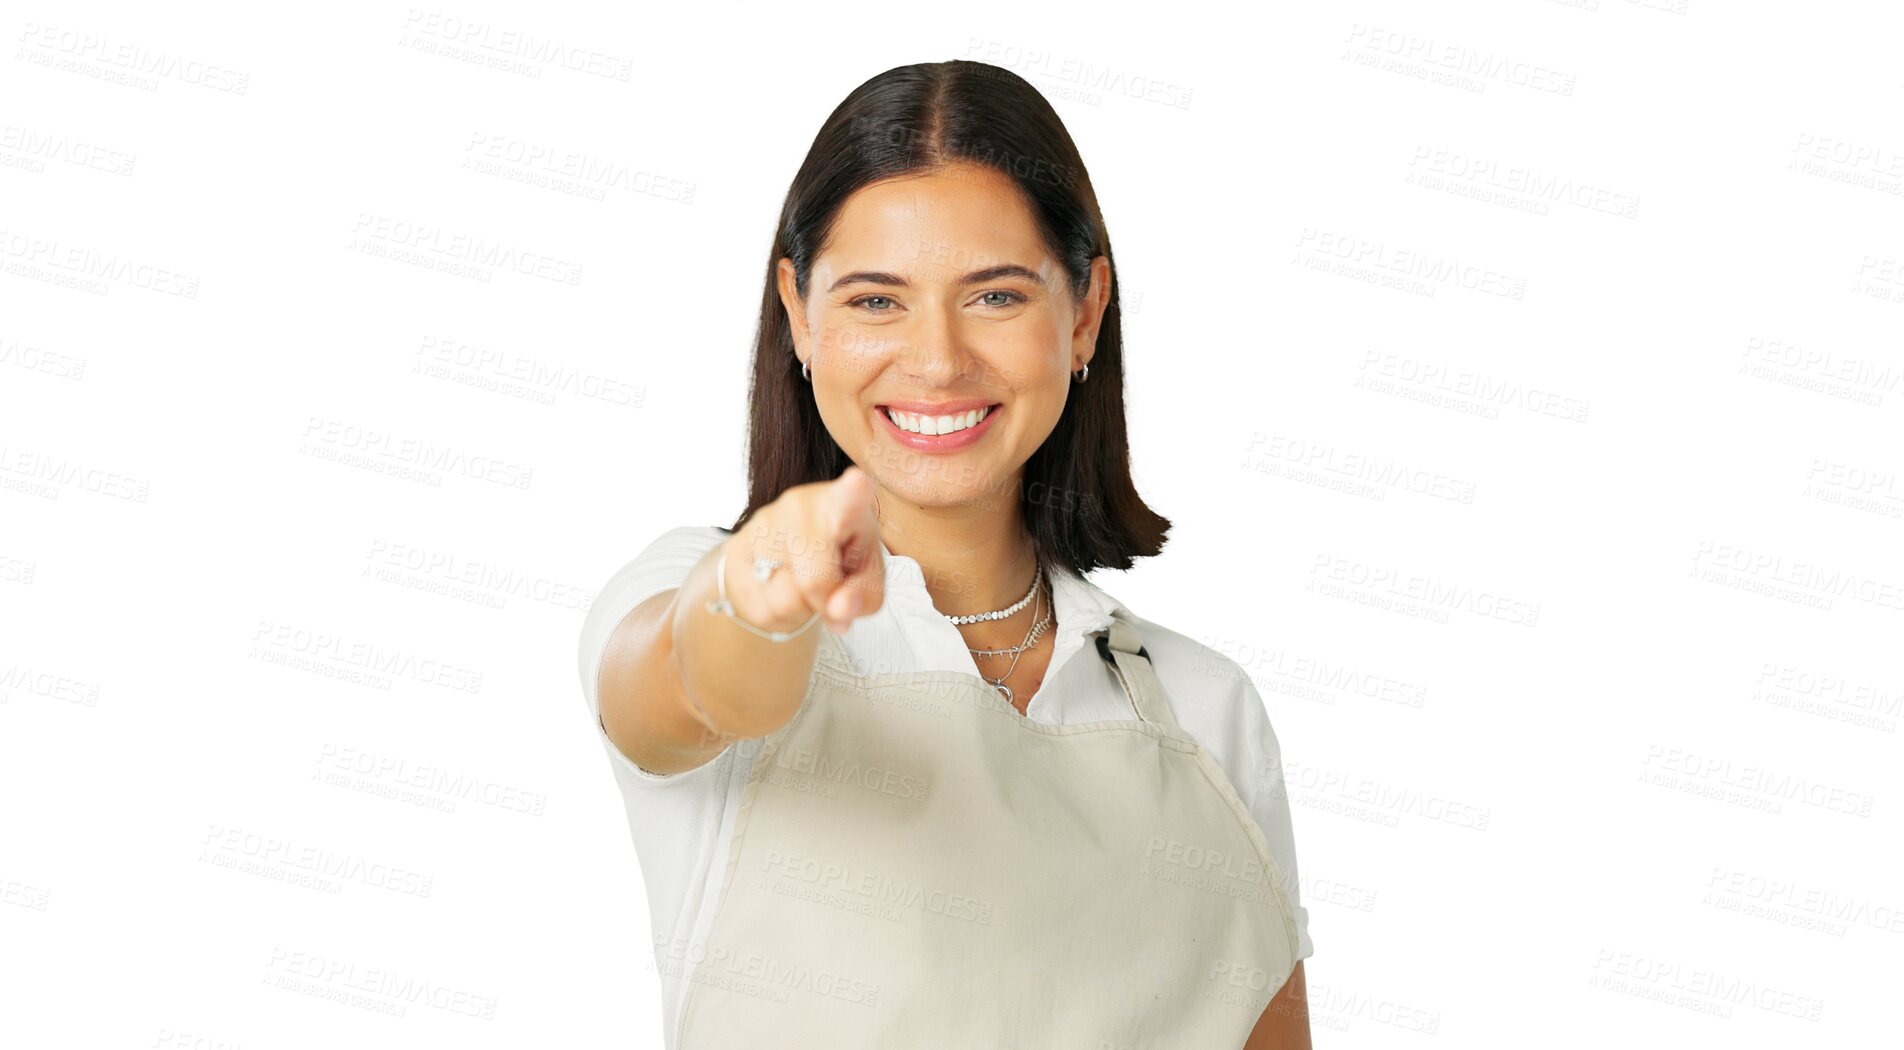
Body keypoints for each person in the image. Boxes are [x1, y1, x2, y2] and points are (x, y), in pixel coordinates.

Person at [577, 59, 1313, 1049]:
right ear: (798, 311)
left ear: (1084, 308)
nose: (935, 361)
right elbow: (688, 690)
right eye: (875, 301)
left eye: (995, 297)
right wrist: (755, 600)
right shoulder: (693, 587)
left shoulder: (1205, 708)